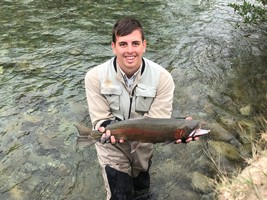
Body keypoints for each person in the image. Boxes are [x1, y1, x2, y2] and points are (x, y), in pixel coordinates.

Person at [85, 18, 198, 200]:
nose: (130, 50)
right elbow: (99, 119)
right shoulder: (94, 77)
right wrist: (107, 131)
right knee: (119, 195)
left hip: (144, 146)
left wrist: (180, 129)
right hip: (111, 145)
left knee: (141, 191)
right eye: (123, 44)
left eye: (135, 43)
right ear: (113, 46)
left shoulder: (163, 78)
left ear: (144, 45)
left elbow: (158, 122)